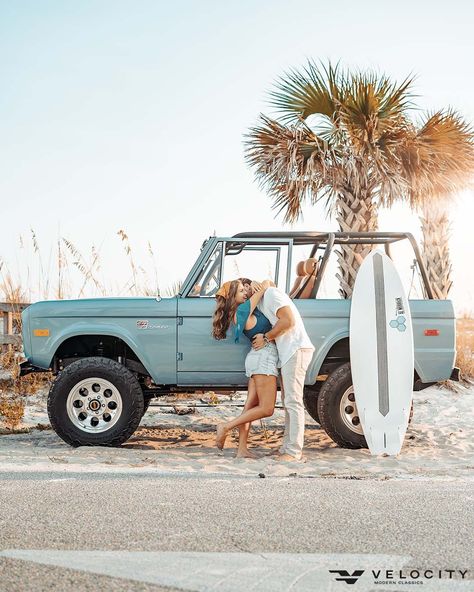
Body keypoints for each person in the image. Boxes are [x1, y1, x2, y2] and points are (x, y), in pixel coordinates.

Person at [212, 278, 279, 457]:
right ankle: (225, 426)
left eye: (244, 290)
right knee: (267, 409)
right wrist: (261, 285)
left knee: (250, 406)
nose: (244, 292)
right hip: (263, 358)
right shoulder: (242, 309)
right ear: (233, 296)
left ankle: (242, 449)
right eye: (241, 291)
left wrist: (258, 284)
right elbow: (266, 286)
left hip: (257, 358)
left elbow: (268, 284)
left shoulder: (239, 311)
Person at [249, 284, 315, 461]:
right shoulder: (264, 298)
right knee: (288, 403)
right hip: (289, 353)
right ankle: (287, 448)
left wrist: (266, 337)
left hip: (296, 349)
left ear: (250, 286)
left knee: (293, 402)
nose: (245, 295)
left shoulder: (270, 294)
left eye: (244, 290)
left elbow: (288, 321)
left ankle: (293, 452)